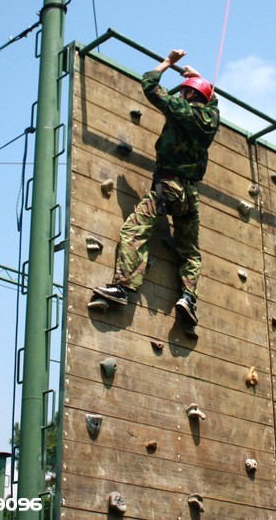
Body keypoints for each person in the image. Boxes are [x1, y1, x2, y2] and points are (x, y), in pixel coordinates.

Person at [92, 48, 220, 327]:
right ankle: (188, 297)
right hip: (190, 196)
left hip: (168, 186)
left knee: (134, 231)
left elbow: (149, 85)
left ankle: (123, 287)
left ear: (187, 95)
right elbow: (213, 102)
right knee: (191, 252)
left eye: (184, 91)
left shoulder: (179, 108)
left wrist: (168, 63)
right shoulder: (212, 120)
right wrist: (198, 78)